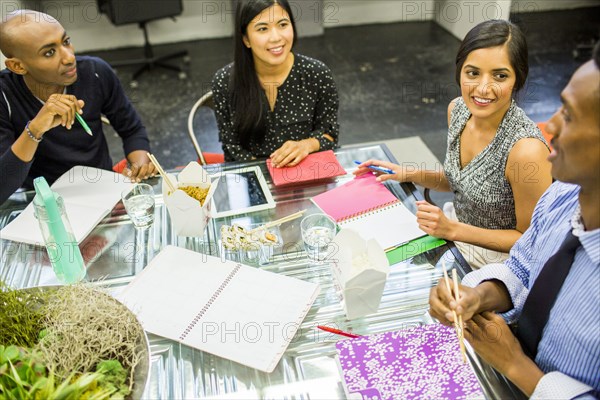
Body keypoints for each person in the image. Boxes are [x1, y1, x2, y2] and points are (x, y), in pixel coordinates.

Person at [429, 43, 600, 398]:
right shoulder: (560, 197)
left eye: (568, 115)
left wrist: (516, 366)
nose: (549, 124)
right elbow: (523, 267)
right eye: (472, 73)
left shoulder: (525, 149)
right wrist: (478, 296)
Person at [356, 20, 552, 268]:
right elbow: (461, 182)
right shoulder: (458, 110)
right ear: (459, 71)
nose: (483, 88)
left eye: (500, 76)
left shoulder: (527, 151)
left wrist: (453, 230)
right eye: (473, 73)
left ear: (518, 79)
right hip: (455, 233)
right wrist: (409, 173)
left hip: (500, 264)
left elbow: (530, 240)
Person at [0, 10, 156, 205]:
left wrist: (139, 163)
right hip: (42, 201)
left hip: (101, 190)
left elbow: (132, 130)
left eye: (65, 42)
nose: (69, 57)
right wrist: (35, 130)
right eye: (49, 52)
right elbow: (3, 187)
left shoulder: (95, 72)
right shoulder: (4, 95)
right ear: (18, 66)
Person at [212, 0, 339, 166]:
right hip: (254, 176)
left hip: (306, 172)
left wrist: (306, 145)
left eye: (283, 24)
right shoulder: (224, 82)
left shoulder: (317, 74)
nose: (276, 37)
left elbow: (330, 135)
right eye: (263, 28)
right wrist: (268, 174)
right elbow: (232, 148)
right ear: (246, 39)